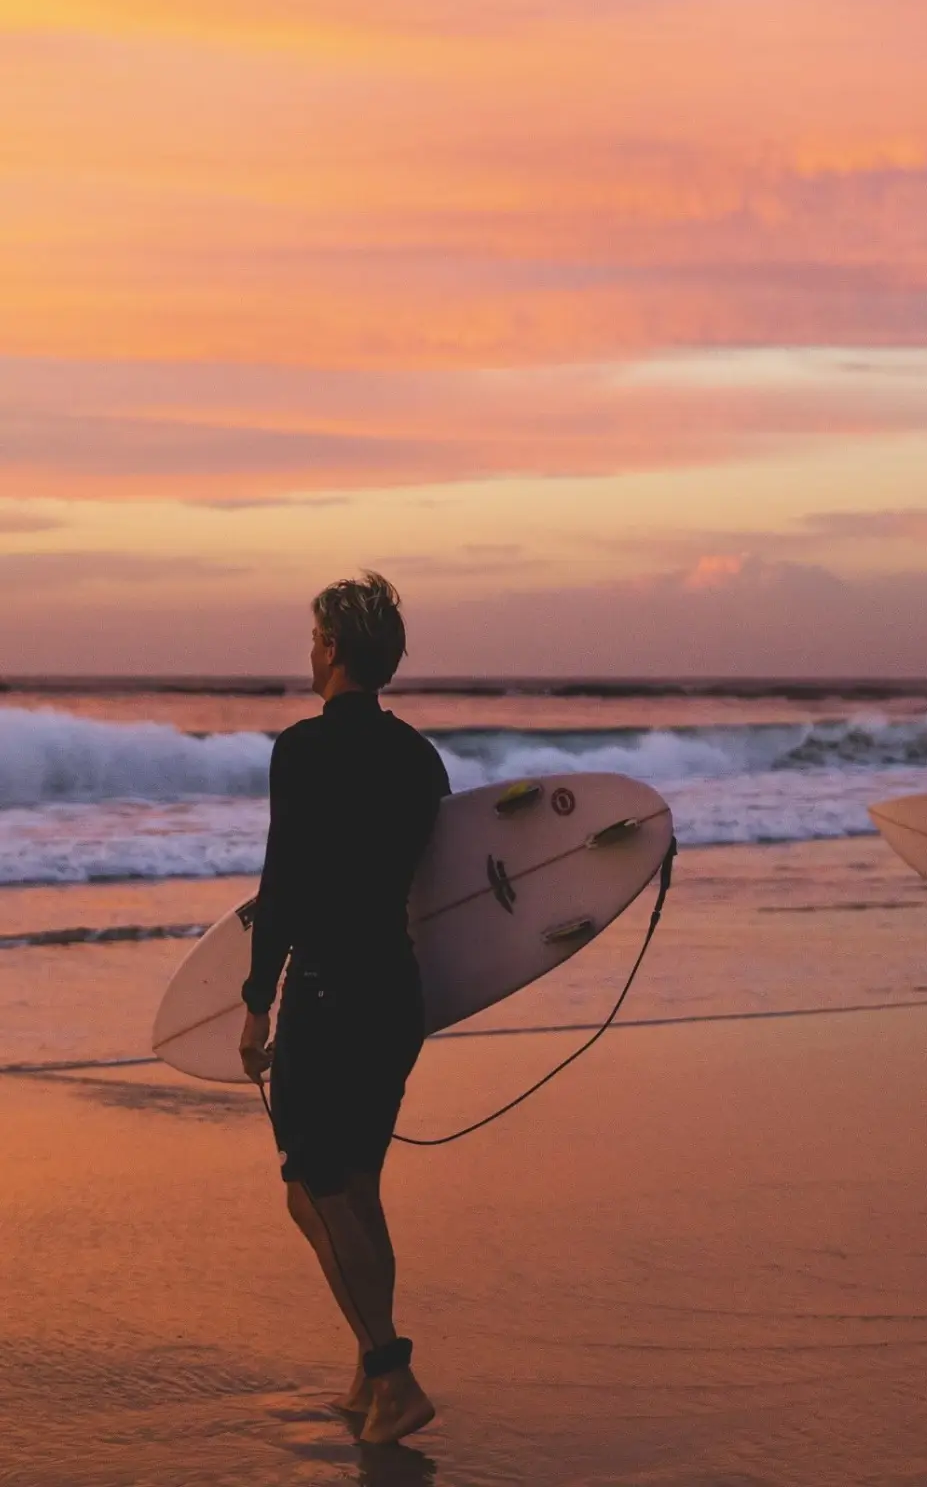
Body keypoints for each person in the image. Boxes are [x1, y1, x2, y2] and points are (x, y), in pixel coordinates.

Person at [238, 572, 450, 1444]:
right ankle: (369, 1373)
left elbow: (283, 886)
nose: (309, 646)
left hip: (326, 996)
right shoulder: (420, 760)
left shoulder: (303, 750)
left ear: (329, 648)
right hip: (395, 995)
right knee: (354, 1189)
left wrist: (257, 1006)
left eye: (313, 634)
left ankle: (393, 1376)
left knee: (316, 1194)